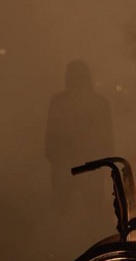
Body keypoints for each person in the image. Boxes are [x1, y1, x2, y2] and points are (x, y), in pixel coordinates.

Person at [45, 60, 114, 213]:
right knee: (69, 209)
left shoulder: (60, 102)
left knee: (77, 210)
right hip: (71, 166)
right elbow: (51, 138)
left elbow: (106, 139)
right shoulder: (99, 103)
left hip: (84, 167)